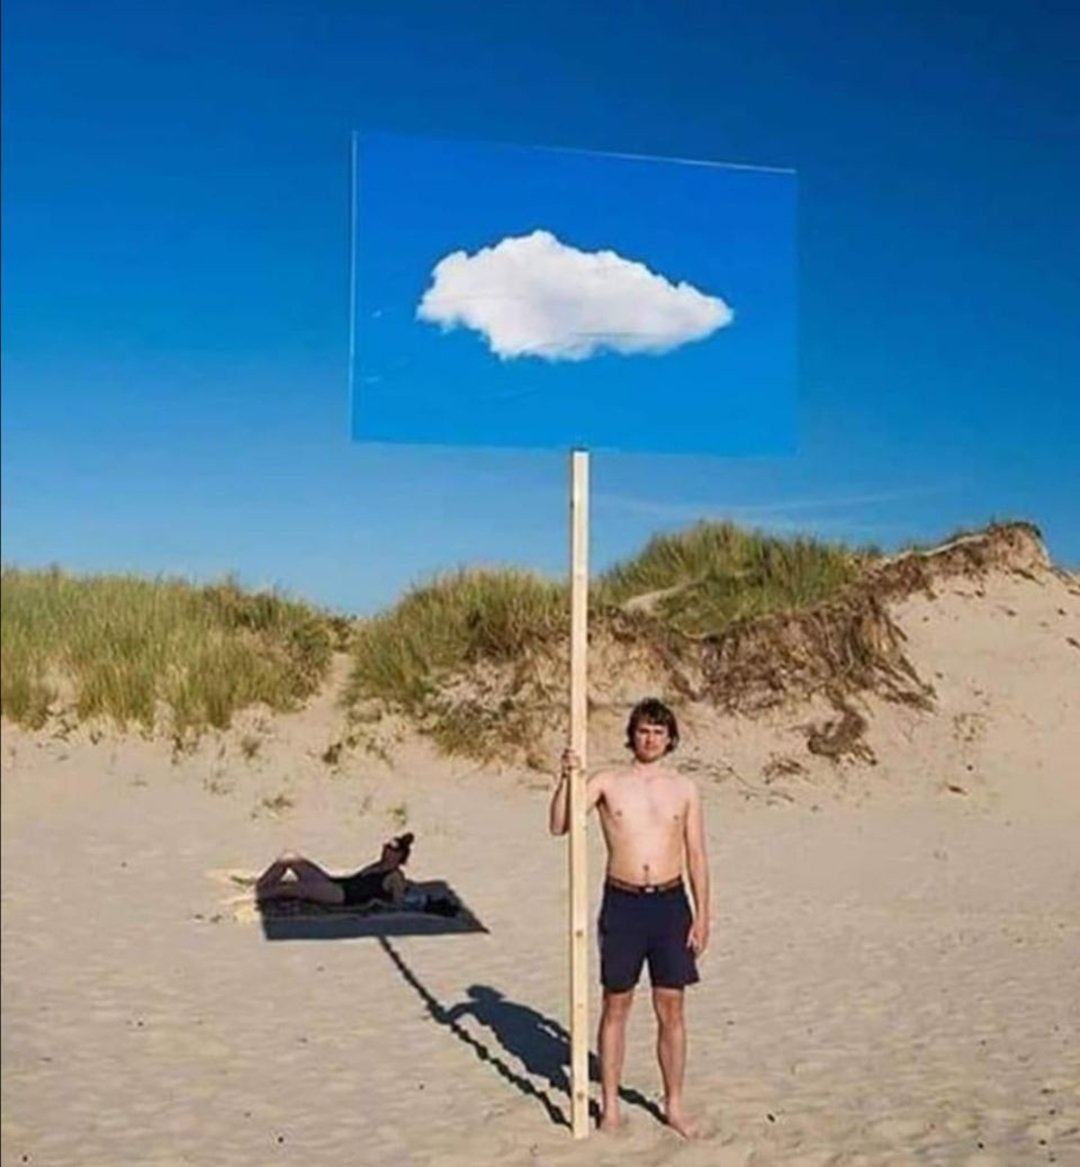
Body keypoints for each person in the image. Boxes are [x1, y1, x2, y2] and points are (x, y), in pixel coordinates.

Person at [548, 697, 710, 1138]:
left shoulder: (685, 788)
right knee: (616, 1004)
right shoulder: (607, 781)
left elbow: (696, 854)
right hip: (623, 904)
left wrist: (703, 914)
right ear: (632, 735)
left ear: (670, 738)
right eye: (643, 731)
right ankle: (611, 1105)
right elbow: (560, 824)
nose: (650, 738)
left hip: (671, 905)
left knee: (671, 1007)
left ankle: (673, 1104)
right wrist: (566, 777)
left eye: (658, 732)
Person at [255, 833, 415, 908]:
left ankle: (252, 897)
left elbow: (398, 904)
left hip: (343, 896)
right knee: (288, 857)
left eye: (391, 848)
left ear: (399, 855)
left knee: (292, 888)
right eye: (386, 846)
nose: (385, 849)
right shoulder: (378, 864)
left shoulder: (395, 876)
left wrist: (378, 902)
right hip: (337, 884)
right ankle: (260, 888)